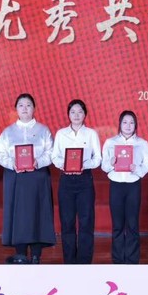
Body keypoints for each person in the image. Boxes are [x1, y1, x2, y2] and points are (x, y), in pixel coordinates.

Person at [0, 93, 56, 264]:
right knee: (18, 215)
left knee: (38, 213)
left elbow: (51, 152)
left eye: (28, 105)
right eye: (21, 105)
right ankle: (20, 253)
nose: (25, 108)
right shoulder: (8, 132)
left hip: (37, 176)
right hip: (16, 177)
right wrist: (11, 163)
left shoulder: (43, 130)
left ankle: (36, 254)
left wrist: (38, 162)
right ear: (16, 109)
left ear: (34, 108)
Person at [51, 99, 101, 264]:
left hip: (85, 180)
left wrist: (83, 165)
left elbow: (97, 158)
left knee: (86, 222)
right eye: (73, 112)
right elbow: (55, 156)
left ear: (85, 114)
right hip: (66, 180)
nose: (76, 115)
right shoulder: (61, 134)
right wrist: (64, 165)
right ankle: (70, 262)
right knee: (67, 222)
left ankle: (84, 262)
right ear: (68, 114)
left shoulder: (91, 134)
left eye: (80, 112)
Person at [101, 110, 148, 264]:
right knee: (117, 225)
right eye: (125, 122)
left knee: (132, 224)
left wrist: (137, 169)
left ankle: (132, 259)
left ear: (135, 125)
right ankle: (117, 259)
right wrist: (111, 163)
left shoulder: (142, 143)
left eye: (131, 122)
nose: (128, 125)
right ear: (120, 124)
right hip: (116, 185)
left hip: (133, 185)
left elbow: (147, 165)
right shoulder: (110, 142)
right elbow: (104, 166)